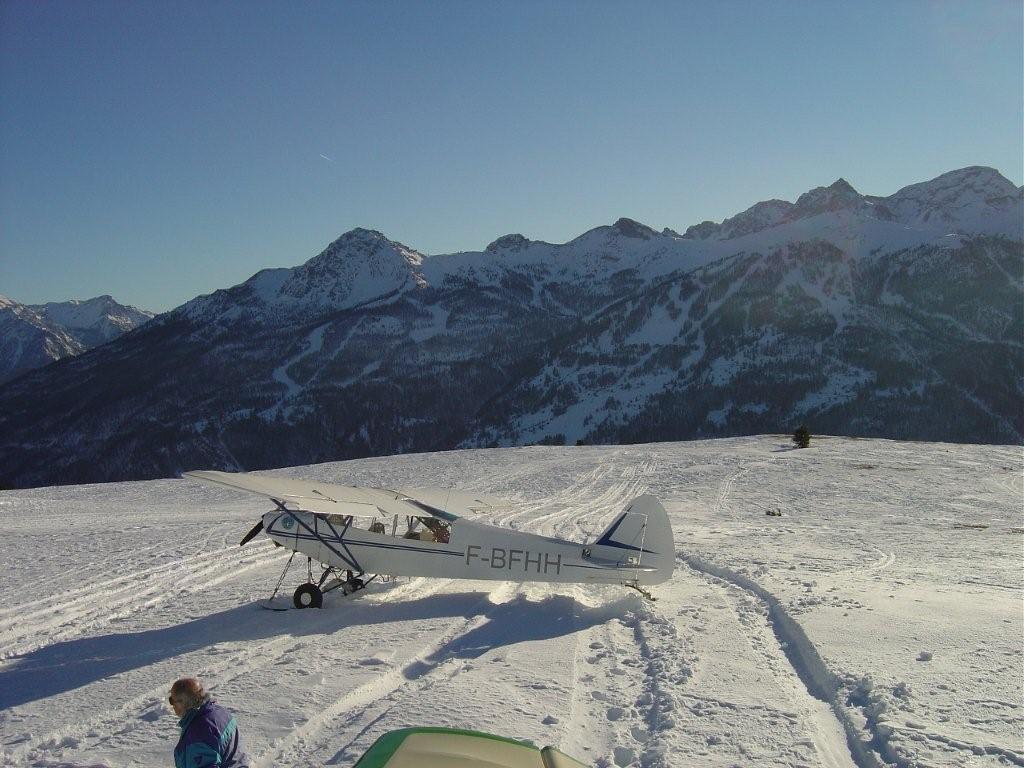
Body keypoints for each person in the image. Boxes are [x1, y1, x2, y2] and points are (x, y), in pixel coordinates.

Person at [169, 677, 250, 768]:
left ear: (184, 702)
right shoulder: (220, 712)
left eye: (172, 700)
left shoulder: (198, 732)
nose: (172, 706)